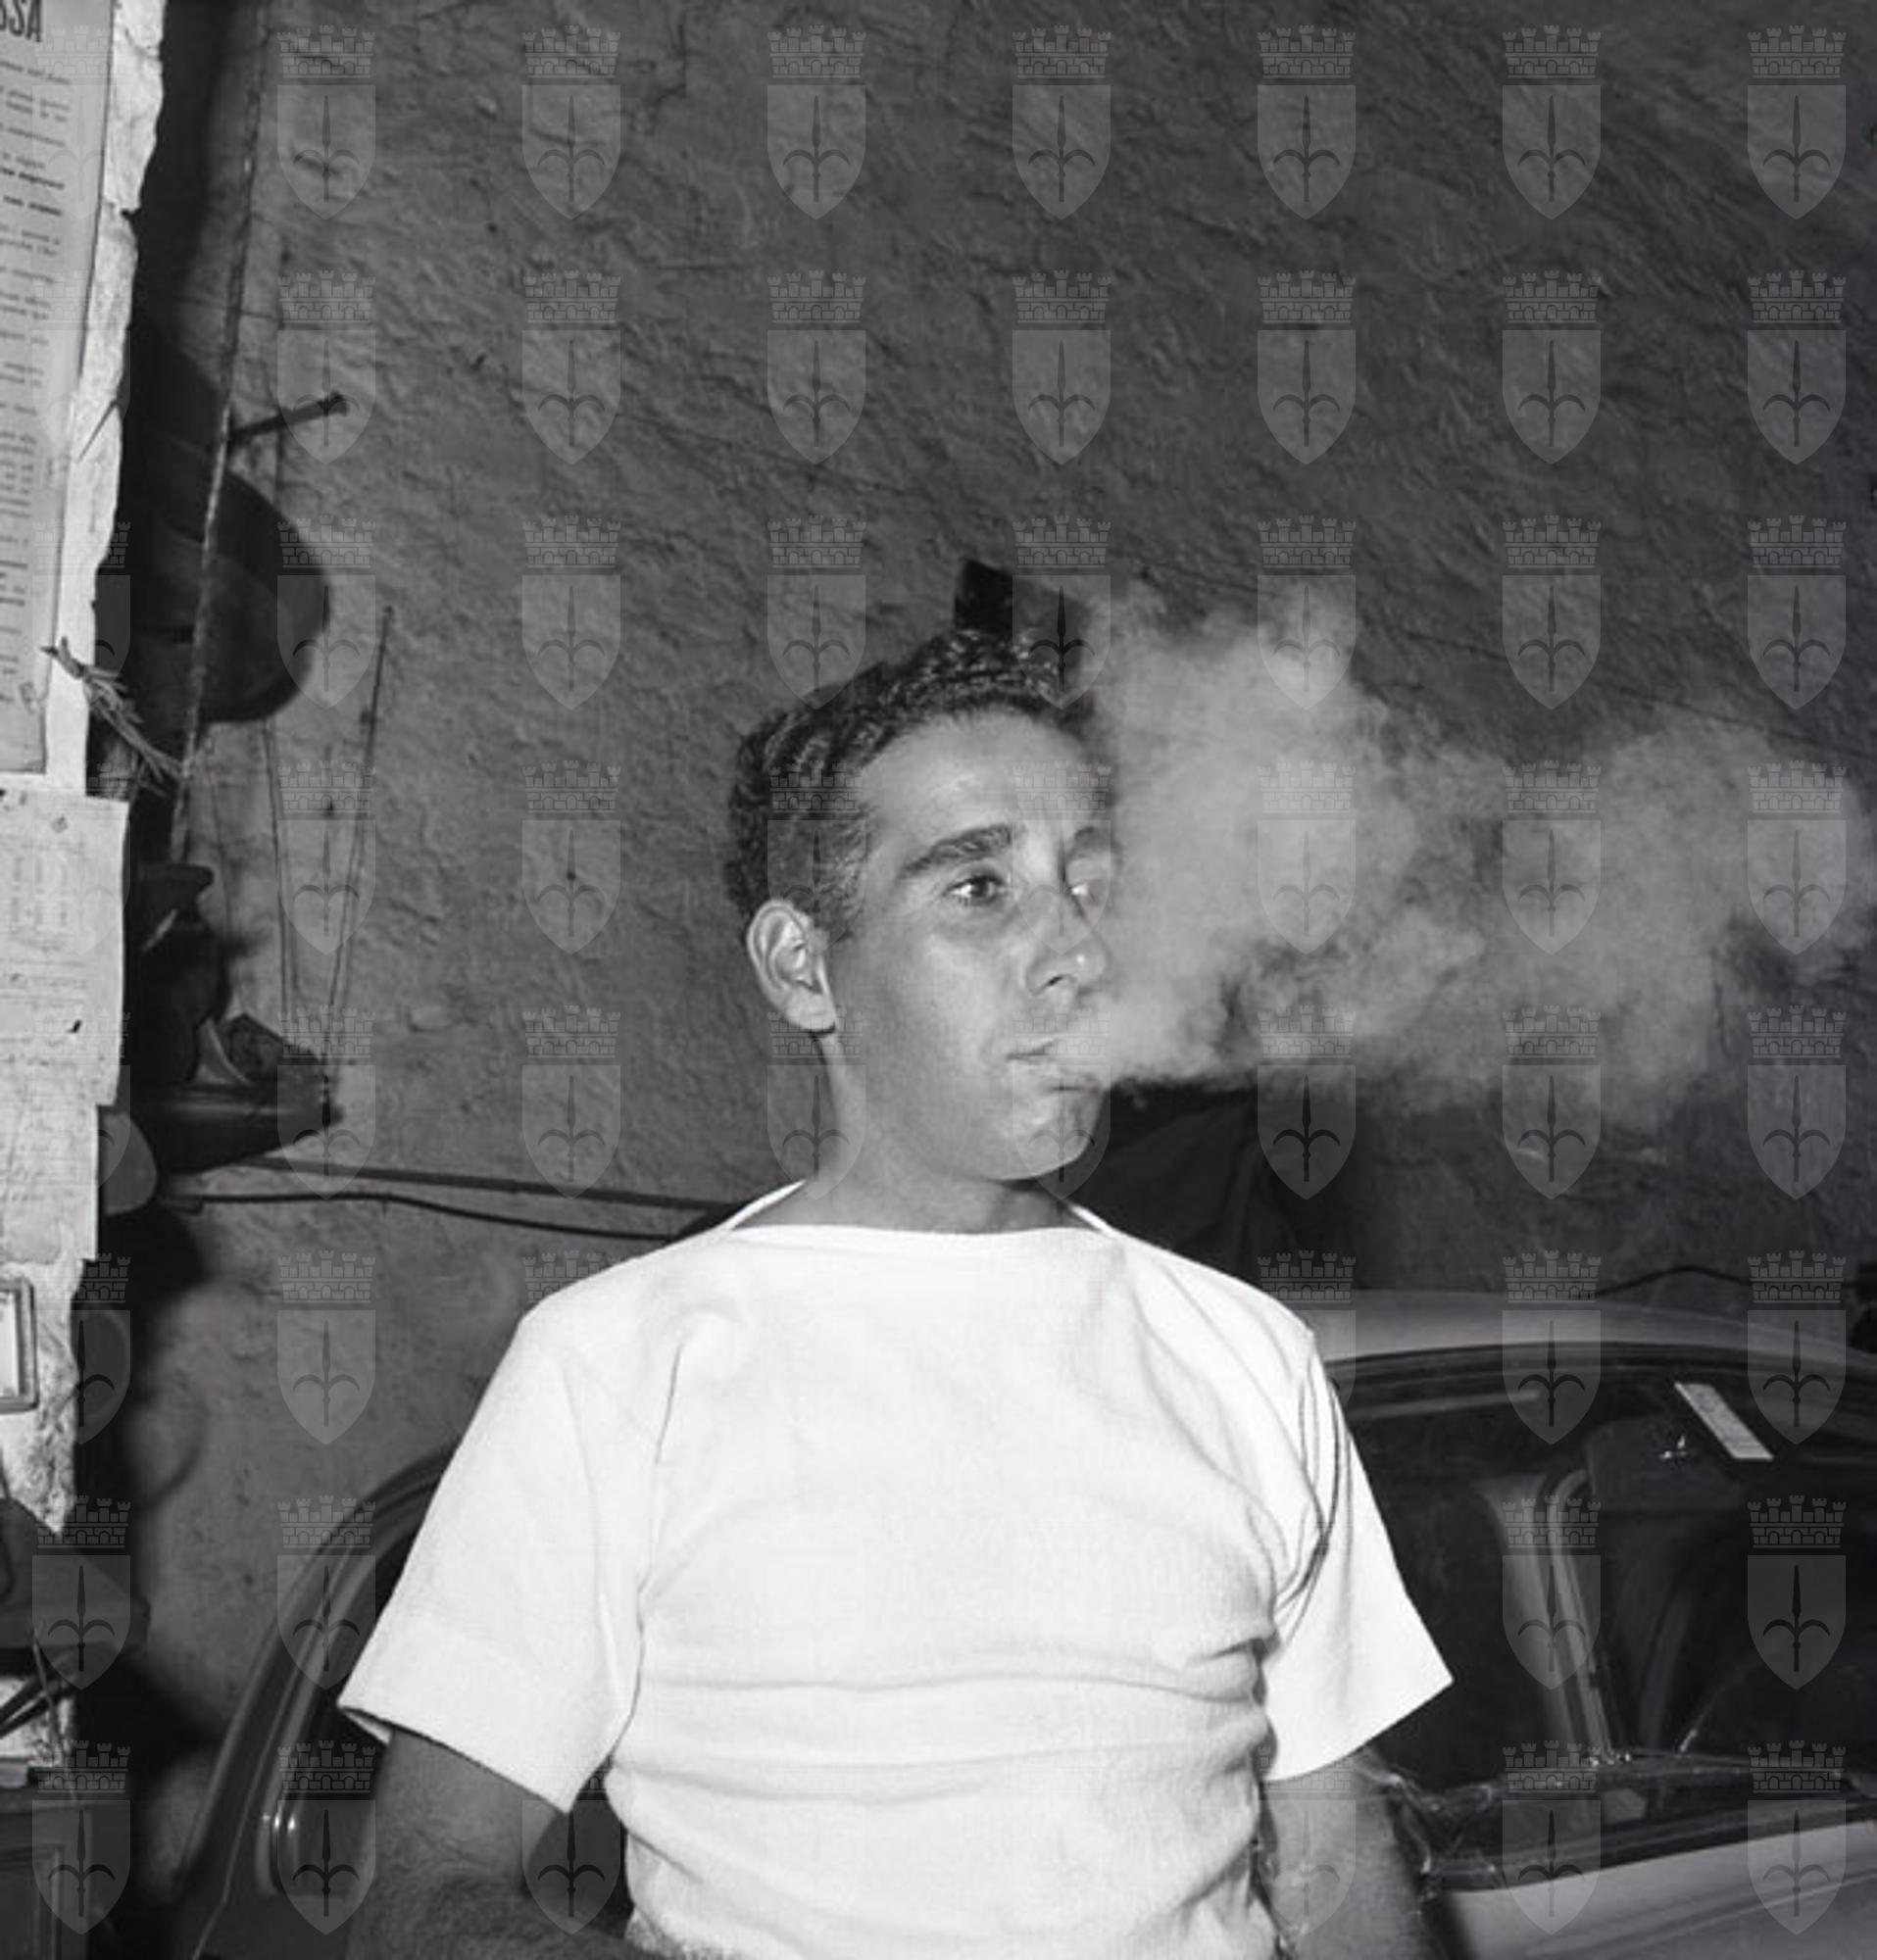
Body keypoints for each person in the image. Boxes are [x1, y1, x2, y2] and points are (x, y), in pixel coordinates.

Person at [338, 628, 1453, 1958]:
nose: (1079, 952)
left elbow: (1333, 1862)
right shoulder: (624, 1361)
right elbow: (425, 1895)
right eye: (980, 888)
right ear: (803, 967)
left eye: (1090, 885)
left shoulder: (1245, 1353)